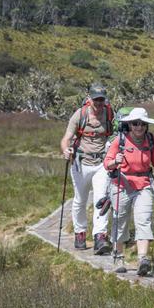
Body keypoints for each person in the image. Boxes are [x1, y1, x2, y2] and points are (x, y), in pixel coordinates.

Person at [103, 107, 154, 277]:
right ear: (129, 124)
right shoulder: (119, 141)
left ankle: (143, 259)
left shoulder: (152, 140)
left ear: (146, 125)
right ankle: (118, 256)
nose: (139, 127)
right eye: (135, 123)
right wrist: (115, 161)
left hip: (144, 184)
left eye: (142, 124)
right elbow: (107, 163)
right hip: (121, 184)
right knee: (120, 220)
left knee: (144, 219)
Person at [59, 85, 113, 251]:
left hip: (101, 164)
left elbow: (117, 132)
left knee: (101, 200)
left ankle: (100, 237)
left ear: (105, 100)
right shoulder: (79, 115)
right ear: (89, 99)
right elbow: (66, 139)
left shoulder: (110, 113)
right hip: (81, 163)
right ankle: (80, 233)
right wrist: (66, 150)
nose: (98, 103)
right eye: (95, 99)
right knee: (80, 200)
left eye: (101, 99)